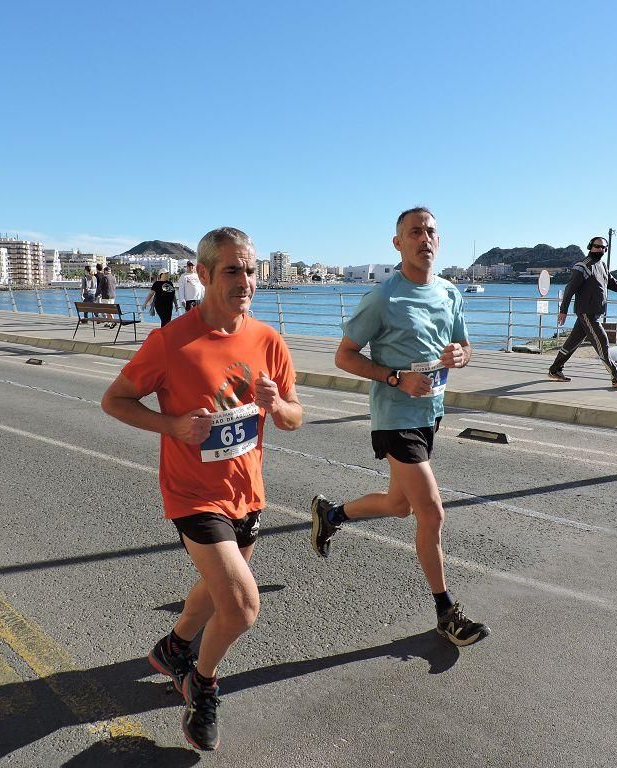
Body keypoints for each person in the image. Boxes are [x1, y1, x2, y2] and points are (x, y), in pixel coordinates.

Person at [101, 227, 302, 751]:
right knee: (240, 607)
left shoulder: (267, 340)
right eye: (233, 271)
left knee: (216, 594)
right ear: (205, 274)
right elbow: (115, 400)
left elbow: (295, 417)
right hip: (193, 495)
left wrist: (276, 404)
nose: (246, 281)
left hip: (247, 493)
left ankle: (174, 647)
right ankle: (201, 683)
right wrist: (172, 426)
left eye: (251, 270)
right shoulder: (171, 342)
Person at [310, 207, 490, 647]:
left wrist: (461, 356)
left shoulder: (450, 293)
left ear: (438, 240)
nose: (424, 239)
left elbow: (464, 345)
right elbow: (345, 355)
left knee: (398, 506)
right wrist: (395, 378)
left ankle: (331, 515)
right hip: (394, 417)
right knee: (432, 512)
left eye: (430, 232)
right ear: (398, 243)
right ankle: (446, 612)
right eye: (414, 232)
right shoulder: (383, 297)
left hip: (431, 413)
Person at [548, 236, 617, 386]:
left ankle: (555, 370)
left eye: (603, 247)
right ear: (590, 246)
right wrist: (563, 310)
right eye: (597, 246)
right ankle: (616, 375)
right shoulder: (583, 266)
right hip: (587, 312)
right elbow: (569, 289)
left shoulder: (602, 266)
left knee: (572, 343)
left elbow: (612, 282)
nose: (600, 249)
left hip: (595, 312)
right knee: (602, 341)